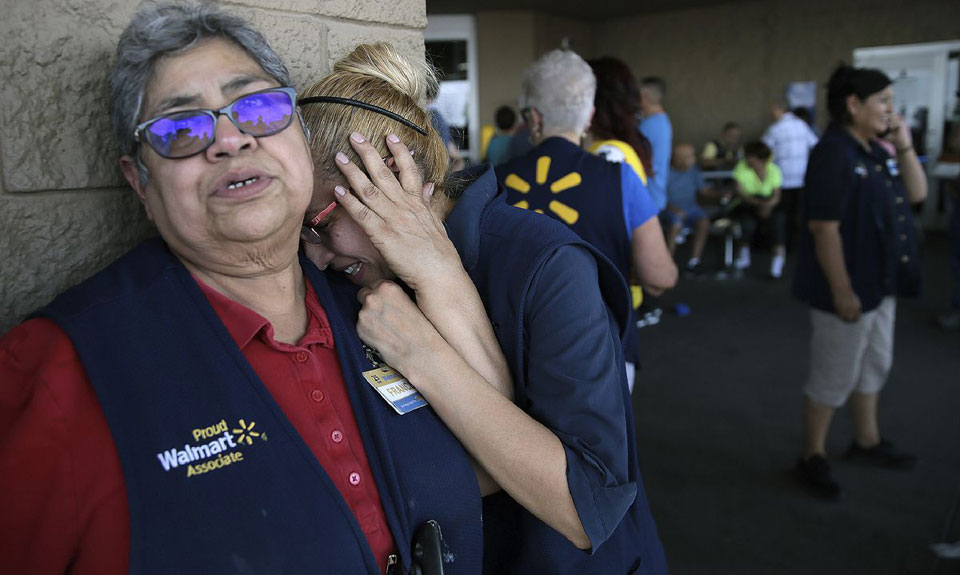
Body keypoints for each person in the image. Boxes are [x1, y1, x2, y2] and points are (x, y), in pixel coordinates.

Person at [0, 5, 484, 574]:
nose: (229, 140)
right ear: (141, 184)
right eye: (180, 128)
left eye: (256, 106)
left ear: (300, 141)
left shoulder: (373, 302)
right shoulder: (59, 373)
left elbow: (500, 467)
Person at [298, 43, 668, 574]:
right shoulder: (340, 277)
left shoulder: (548, 266)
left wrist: (425, 348)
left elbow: (585, 507)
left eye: (321, 222)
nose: (313, 253)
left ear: (393, 180)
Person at [498, 50, 676, 392]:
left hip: (515, 354)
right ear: (589, 117)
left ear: (534, 117)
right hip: (603, 352)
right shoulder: (620, 179)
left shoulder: (493, 181)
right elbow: (659, 277)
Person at [792, 65, 926, 499]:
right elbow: (824, 228)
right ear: (854, 105)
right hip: (848, 287)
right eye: (883, 101)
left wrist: (904, 147)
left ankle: (866, 440)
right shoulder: (834, 152)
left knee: (873, 365)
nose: (892, 110)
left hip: (879, 283)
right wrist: (841, 289)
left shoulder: (876, 150)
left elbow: (919, 194)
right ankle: (812, 454)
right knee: (833, 374)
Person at [763, 97, 819, 251]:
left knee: (781, 216)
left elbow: (762, 151)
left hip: (782, 180)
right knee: (798, 215)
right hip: (801, 179)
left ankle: (781, 246)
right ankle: (796, 247)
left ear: (781, 110)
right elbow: (815, 145)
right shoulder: (802, 125)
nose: (771, 113)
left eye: (773, 110)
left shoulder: (775, 129)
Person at [730, 140, 787, 278]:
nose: (747, 159)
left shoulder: (773, 169)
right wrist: (757, 204)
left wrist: (767, 206)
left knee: (778, 222)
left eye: (749, 156)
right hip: (748, 204)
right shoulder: (741, 168)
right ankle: (744, 253)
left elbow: (776, 195)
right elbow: (740, 192)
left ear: (759, 158)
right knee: (747, 223)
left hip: (768, 203)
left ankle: (778, 261)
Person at [665, 143, 713, 273]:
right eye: (690, 156)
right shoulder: (665, 172)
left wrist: (724, 192)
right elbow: (659, 199)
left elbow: (705, 191)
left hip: (691, 208)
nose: (694, 159)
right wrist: (673, 209)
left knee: (703, 221)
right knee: (676, 221)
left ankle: (694, 262)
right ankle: (667, 262)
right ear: (678, 158)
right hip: (670, 209)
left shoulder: (693, 170)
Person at [638, 76, 673, 210]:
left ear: (645, 97)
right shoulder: (661, 121)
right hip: (655, 196)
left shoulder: (650, 125)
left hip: (647, 197)